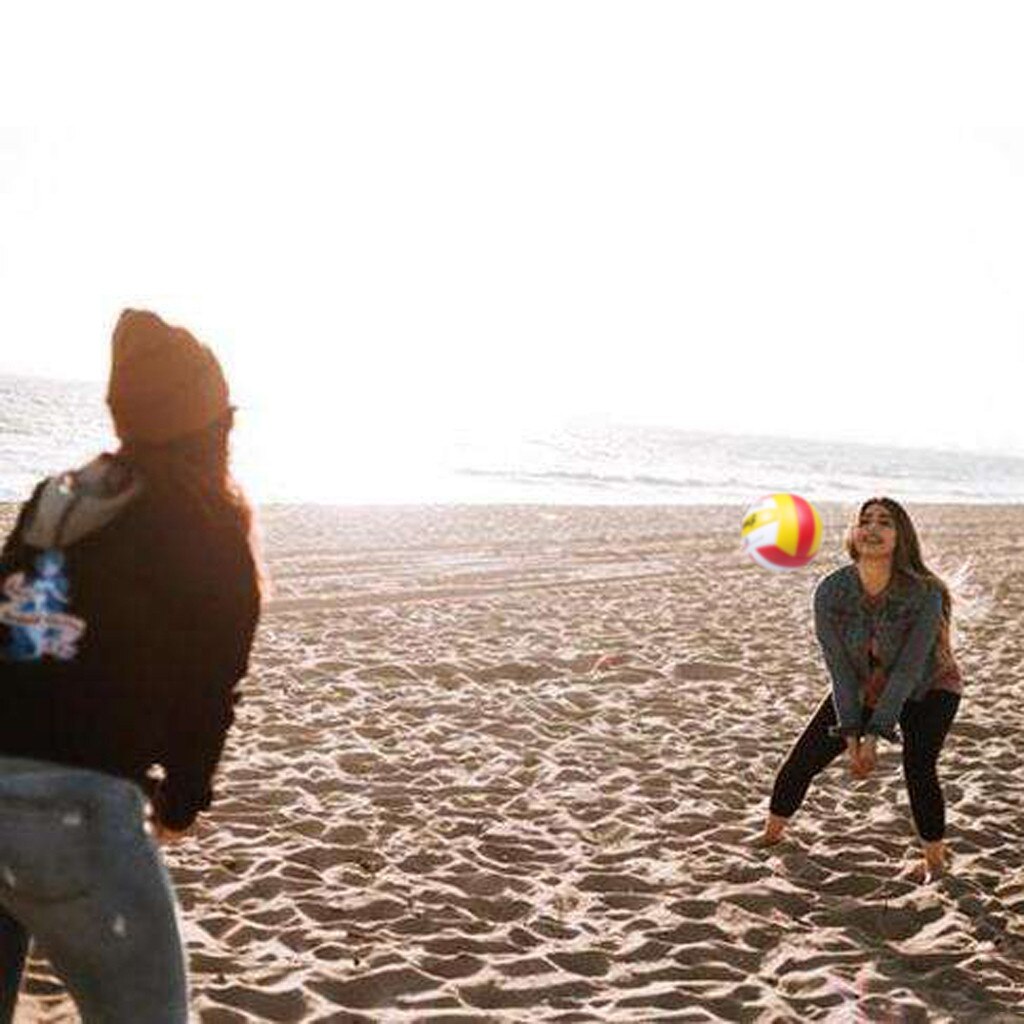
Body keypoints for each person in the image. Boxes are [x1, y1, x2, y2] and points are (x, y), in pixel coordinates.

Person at [0, 310, 261, 1021]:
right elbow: (209, 689)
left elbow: (18, 633)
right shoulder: (204, 524)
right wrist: (182, 796)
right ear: (207, 425)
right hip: (78, 811)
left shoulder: (58, 503)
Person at [760, 497, 962, 882]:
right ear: (853, 533)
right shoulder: (831, 591)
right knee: (803, 759)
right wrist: (850, 733)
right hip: (863, 685)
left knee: (919, 765)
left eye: (884, 522)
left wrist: (873, 736)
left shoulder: (925, 593)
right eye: (864, 520)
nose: (872, 528)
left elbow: (907, 670)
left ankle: (935, 862)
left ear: (900, 535)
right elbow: (838, 668)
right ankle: (770, 836)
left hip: (930, 685)